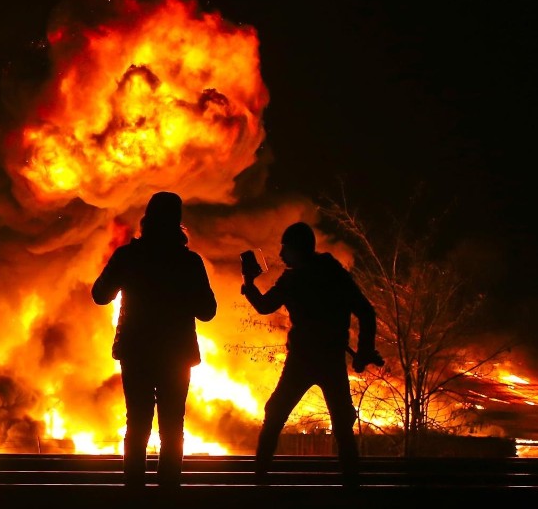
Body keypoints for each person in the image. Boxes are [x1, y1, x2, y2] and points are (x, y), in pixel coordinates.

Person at [92, 191, 217, 487]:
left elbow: (100, 295)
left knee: (137, 423)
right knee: (173, 426)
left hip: (137, 351)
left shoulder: (128, 256)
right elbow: (208, 311)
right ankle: (169, 492)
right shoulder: (188, 262)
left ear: (147, 220)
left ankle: (134, 490)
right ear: (178, 223)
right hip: (176, 353)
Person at [241, 221, 380, 487]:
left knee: (275, 415)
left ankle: (258, 483)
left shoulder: (294, 279)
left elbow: (264, 305)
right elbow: (365, 311)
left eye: (285, 249)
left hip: (303, 361)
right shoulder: (334, 274)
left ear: (297, 249)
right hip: (330, 359)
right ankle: (352, 486)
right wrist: (363, 351)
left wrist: (248, 282)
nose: (281, 255)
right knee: (341, 424)